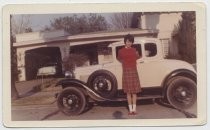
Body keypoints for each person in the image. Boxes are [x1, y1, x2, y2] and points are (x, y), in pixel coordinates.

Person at [118, 34, 141, 115]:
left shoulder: (135, 50)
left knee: (134, 92)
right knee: (128, 92)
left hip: (134, 71)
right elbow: (119, 58)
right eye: (127, 41)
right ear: (125, 42)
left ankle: (134, 110)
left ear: (132, 42)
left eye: (130, 42)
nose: (129, 43)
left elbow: (138, 57)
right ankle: (130, 110)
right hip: (126, 72)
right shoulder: (120, 51)